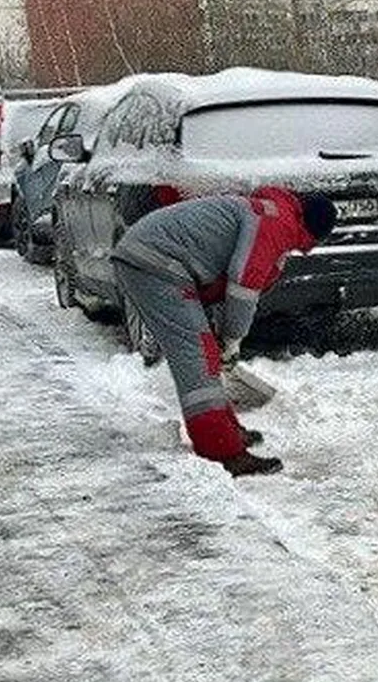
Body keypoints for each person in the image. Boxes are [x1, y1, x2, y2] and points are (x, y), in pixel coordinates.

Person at [110, 187, 336, 477]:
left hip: (158, 260)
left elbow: (225, 283)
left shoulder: (271, 212)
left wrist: (223, 334)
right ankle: (223, 452)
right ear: (313, 233)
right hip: (156, 264)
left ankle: (227, 432)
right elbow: (243, 287)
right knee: (197, 354)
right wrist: (232, 339)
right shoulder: (276, 224)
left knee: (206, 351)